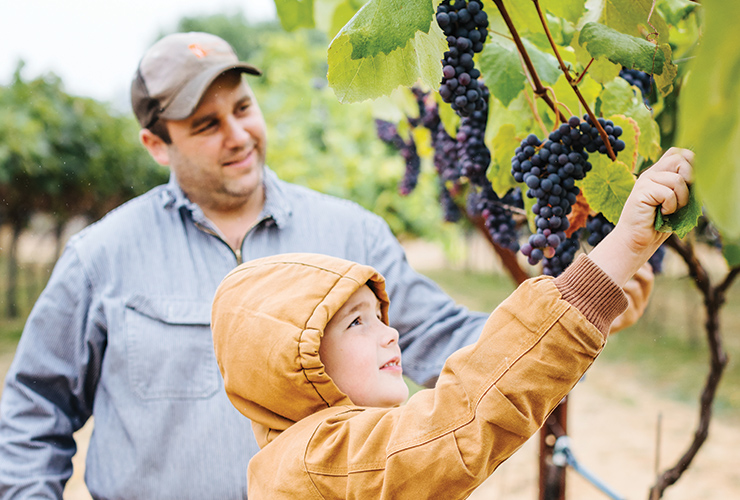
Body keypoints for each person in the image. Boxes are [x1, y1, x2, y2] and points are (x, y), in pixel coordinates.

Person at [0, 31, 650, 499]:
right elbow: (35, 407)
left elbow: (443, 340)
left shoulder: (350, 232)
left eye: (243, 108)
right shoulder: (101, 257)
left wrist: (582, 303)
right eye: (205, 124)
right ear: (155, 145)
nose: (237, 134)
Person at [211, 147, 693, 499]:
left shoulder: (304, 456)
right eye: (356, 323)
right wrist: (621, 248)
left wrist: (600, 299)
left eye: (381, 315)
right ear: (292, 361)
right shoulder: (318, 462)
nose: (391, 332)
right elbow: (467, 414)